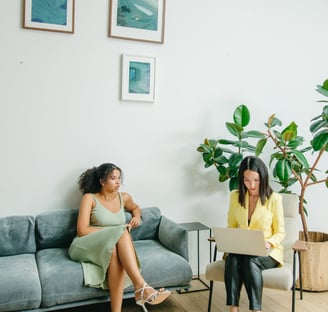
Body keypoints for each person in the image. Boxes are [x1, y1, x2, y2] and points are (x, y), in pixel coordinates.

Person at [68, 163, 170, 312]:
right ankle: (141, 287)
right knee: (122, 231)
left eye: (119, 178)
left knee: (115, 254)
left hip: (111, 245)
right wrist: (114, 231)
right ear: (102, 181)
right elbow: (82, 230)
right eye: (113, 178)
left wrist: (137, 217)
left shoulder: (124, 197)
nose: (118, 182)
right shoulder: (89, 198)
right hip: (85, 244)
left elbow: (135, 208)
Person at [224, 156, 285, 312]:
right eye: (247, 180)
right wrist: (229, 240)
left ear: (263, 178)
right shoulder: (235, 196)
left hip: (268, 251)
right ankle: (233, 309)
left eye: (256, 180)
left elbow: (280, 232)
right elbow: (231, 225)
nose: (251, 185)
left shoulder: (274, 199)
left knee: (251, 261)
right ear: (241, 179)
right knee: (232, 258)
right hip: (243, 248)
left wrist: (268, 242)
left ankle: (255, 310)